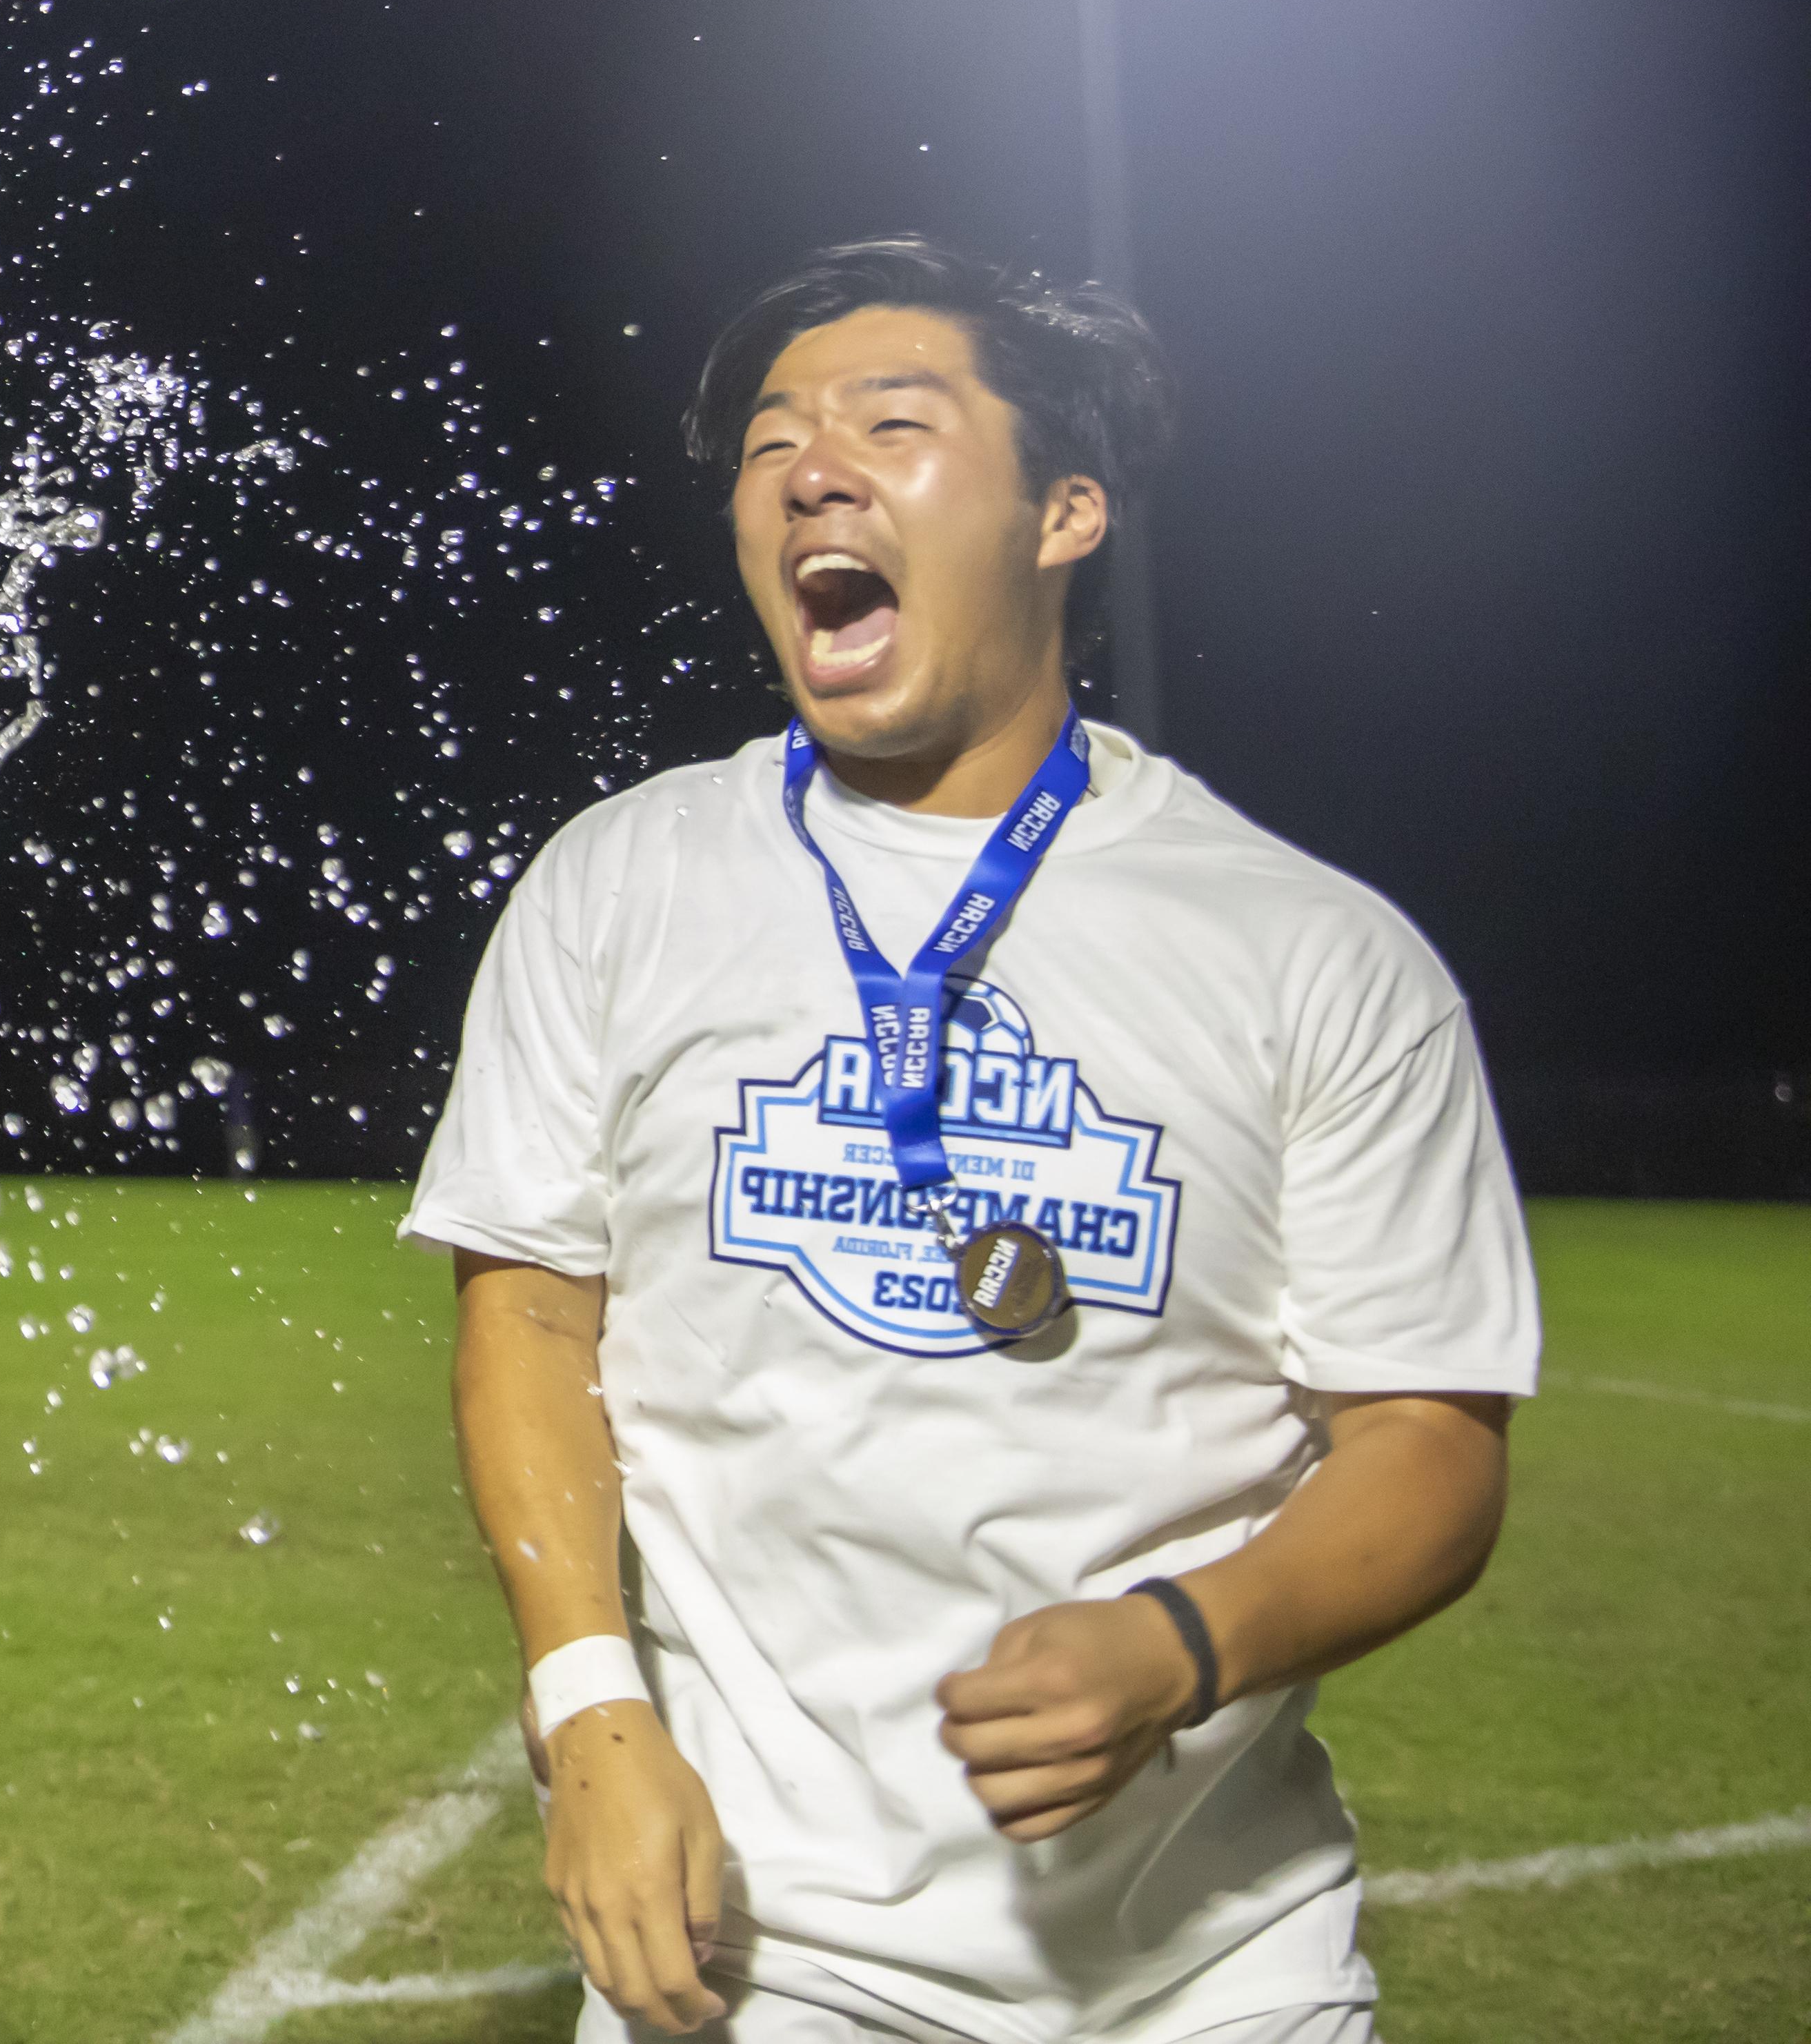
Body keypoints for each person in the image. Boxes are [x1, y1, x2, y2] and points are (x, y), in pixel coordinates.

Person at [407, 238, 1536, 2043]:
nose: (811, 473)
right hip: (756, 1959)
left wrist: (1188, 1640)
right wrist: (592, 1711)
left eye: (891, 423)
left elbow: (1429, 1442)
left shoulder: (1314, 953)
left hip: (1208, 1972)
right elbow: (530, 1316)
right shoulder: (618, 886)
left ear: (1065, 510)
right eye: (773, 443)